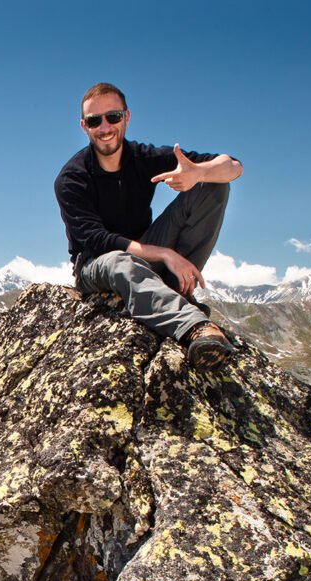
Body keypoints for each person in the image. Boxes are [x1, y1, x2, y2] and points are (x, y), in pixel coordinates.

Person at [54, 82, 243, 369]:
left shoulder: (144, 158)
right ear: (84, 126)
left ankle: (174, 289)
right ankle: (196, 329)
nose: (105, 127)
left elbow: (233, 167)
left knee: (212, 186)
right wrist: (165, 254)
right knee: (121, 262)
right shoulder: (72, 179)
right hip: (96, 264)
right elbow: (97, 240)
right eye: (95, 121)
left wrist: (198, 173)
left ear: (126, 117)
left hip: (145, 245)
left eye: (113, 117)